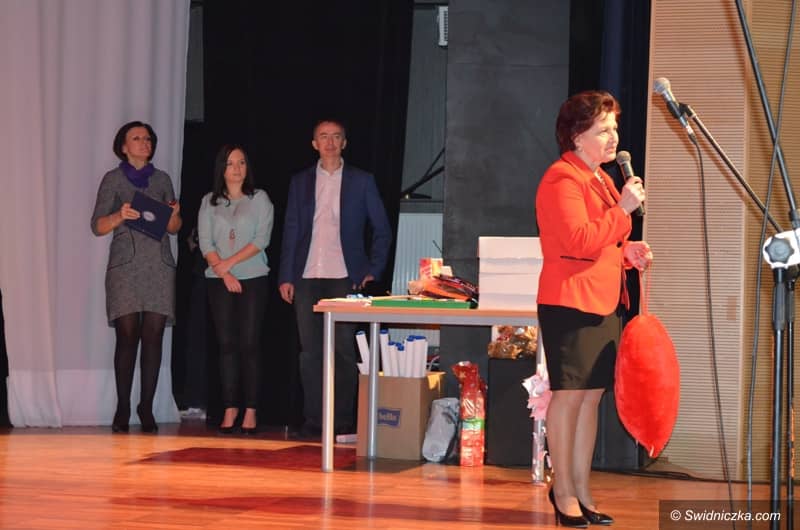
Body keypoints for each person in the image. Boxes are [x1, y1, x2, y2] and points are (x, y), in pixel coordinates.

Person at [536, 91, 652, 527]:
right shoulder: (562, 179)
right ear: (576, 136)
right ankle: (562, 491)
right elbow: (577, 241)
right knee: (568, 399)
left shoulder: (600, 178)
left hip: (603, 301)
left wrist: (628, 253)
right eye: (602, 130)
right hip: (570, 302)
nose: (613, 137)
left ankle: (582, 489)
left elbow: (602, 242)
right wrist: (623, 210)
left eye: (614, 128)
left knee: (589, 400)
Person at [279, 119, 392, 438]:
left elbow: (382, 230)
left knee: (343, 350)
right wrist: (286, 275)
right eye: (323, 137)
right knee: (310, 352)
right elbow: (290, 230)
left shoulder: (362, 180)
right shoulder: (300, 181)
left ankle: (341, 420)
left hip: (345, 277)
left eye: (336, 137)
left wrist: (372, 269)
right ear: (314, 144)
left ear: (344, 143)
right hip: (306, 276)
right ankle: (314, 420)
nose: (329, 142)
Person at [91, 120, 182, 434]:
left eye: (148, 138)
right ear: (123, 146)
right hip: (125, 268)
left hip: (159, 265)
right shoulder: (113, 179)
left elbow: (174, 227)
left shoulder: (162, 179)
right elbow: (97, 226)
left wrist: (174, 215)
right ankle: (122, 407)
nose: (144, 142)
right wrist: (119, 215)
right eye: (137, 138)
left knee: (154, 337)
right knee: (127, 336)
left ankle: (146, 407)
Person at [198, 145, 274, 434]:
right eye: (231, 163)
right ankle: (230, 408)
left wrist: (228, 265)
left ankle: (251, 410)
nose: (237, 168)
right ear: (222, 168)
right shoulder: (209, 201)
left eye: (242, 162)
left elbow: (261, 239)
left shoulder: (260, 198)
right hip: (218, 280)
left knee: (249, 344)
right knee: (226, 345)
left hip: (253, 277)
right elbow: (206, 242)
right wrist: (224, 273)